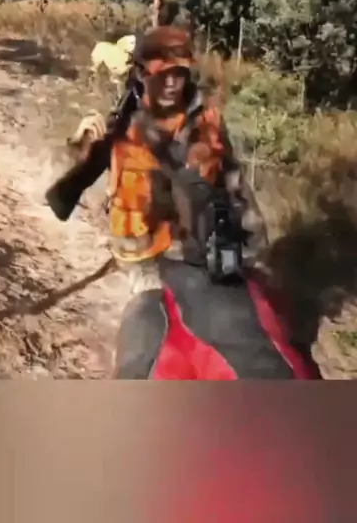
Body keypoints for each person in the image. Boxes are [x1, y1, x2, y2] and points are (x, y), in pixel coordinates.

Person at [47, 25, 321, 380]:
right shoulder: (128, 122)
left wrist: (247, 253)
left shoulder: (203, 124)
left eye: (178, 73)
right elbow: (88, 181)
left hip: (197, 264)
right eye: (161, 74)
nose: (171, 83)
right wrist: (84, 149)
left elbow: (233, 190)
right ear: (142, 76)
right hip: (149, 267)